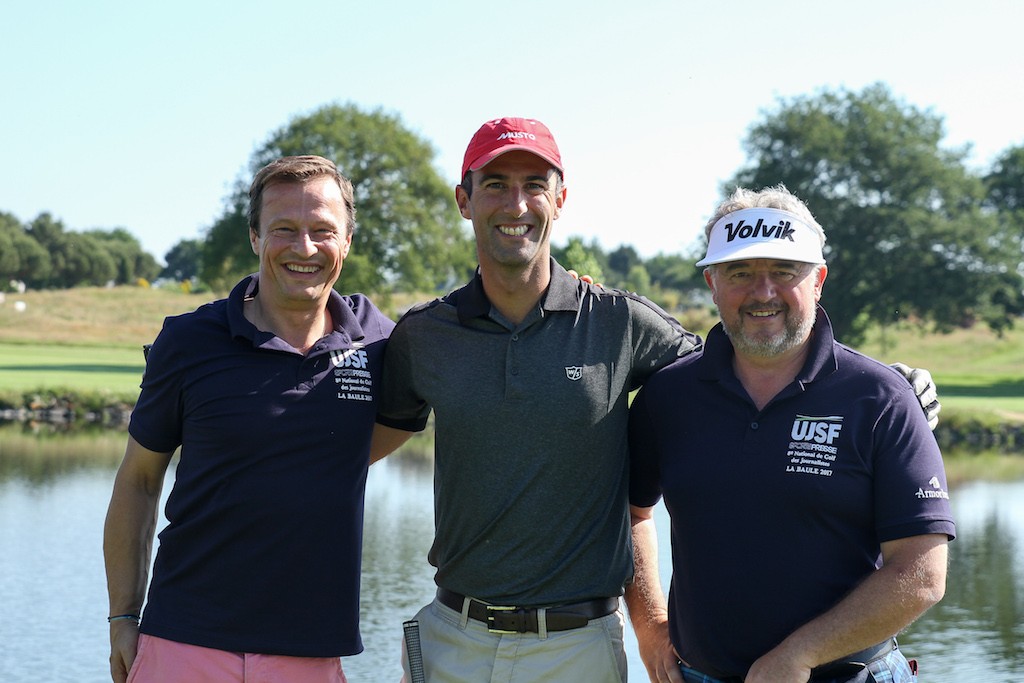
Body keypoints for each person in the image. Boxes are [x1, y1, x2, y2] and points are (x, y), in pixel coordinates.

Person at [370, 120, 939, 683]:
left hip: (584, 645)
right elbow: (358, 441)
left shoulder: (619, 321)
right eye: (495, 184)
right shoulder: (425, 335)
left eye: (534, 184)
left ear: (560, 200)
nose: (516, 203)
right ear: (464, 200)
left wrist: (880, 385)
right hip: (457, 635)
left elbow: (759, 348)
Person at [626, 185, 956, 683]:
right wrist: (650, 628)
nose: (763, 292)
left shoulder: (881, 398)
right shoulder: (669, 395)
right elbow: (631, 512)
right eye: (741, 273)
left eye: (784, 272)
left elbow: (922, 572)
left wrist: (799, 654)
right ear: (712, 282)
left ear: (818, 279)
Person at [103, 155, 394, 683]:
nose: (304, 248)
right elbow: (139, 481)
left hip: (310, 654)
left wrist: (587, 293)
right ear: (256, 238)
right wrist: (123, 616)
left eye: (322, 231)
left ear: (347, 241)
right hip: (182, 644)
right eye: (284, 229)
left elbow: (445, 376)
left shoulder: (380, 344)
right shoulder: (189, 342)